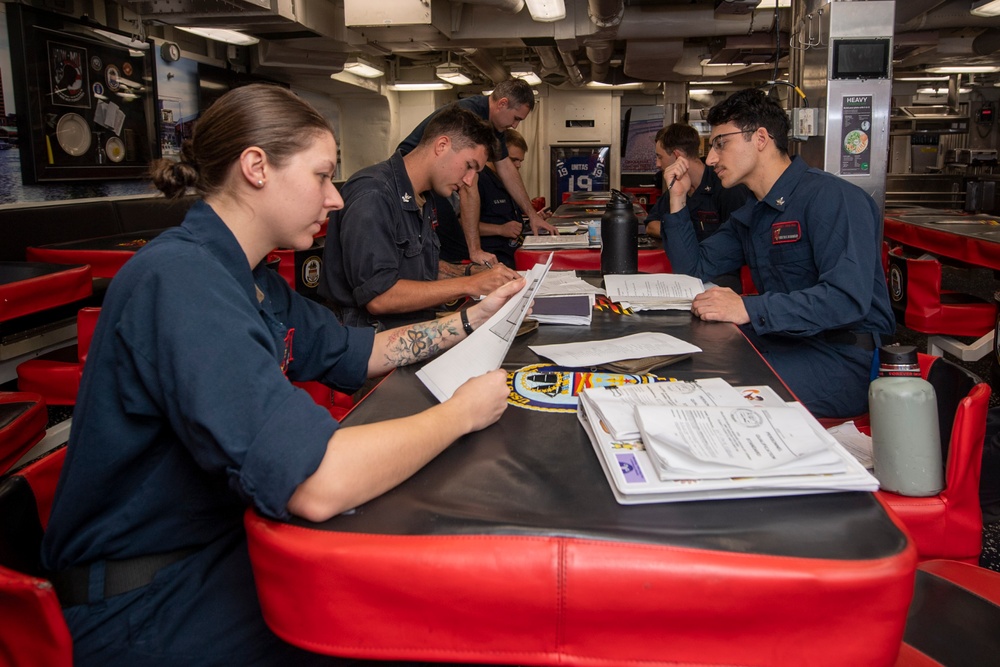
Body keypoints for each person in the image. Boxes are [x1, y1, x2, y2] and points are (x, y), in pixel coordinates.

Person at [40, 84, 524, 666]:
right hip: (147, 602)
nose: (336, 199)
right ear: (256, 168)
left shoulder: (256, 279)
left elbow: (359, 350)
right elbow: (317, 483)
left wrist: (472, 321)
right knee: (404, 624)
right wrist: (459, 416)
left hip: (218, 551)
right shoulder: (181, 281)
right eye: (322, 176)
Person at [659, 88, 894, 419]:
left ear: (760, 138)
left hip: (842, 360)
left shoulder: (833, 199)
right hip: (784, 341)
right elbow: (694, 269)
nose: (711, 159)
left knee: (705, 394)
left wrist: (747, 307)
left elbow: (846, 300)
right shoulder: (755, 211)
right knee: (679, 367)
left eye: (720, 143)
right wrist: (678, 200)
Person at [320, 104, 521, 330]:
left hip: (409, 327)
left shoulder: (425, 196)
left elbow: (418, 267)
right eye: (468, 166)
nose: (469, 180)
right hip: (369, 339)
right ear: (442, 145)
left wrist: (472, 272)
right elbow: (380, 296)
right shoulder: (374, 194)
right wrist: (471, 284)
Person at [397, 79, 558, 264]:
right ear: (502, 103)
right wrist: (475, 251)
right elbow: (469, 185)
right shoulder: (469, 116)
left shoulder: (494, 125)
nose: (515, 126)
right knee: (453, 246)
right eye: (516, 118)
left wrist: (531, 215)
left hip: (427, 182)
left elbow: (506, 168)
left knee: (451, 247)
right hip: (409, 179)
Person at [643, 123, 751, 292]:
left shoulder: (728, 188)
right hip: (686, 271)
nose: (657, 164)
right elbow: (651, 225)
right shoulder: (677, 188)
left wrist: (682, 232)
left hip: (721, 276)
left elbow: (737, 246)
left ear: (677, 156)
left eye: (660, 157)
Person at [436, 129, 541, 269]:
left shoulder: (507, 182)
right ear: (499, 156)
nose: (518, 165)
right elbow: (461, 223)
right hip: (492, 259)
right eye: (513, 160)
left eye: (520, 161)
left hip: (512, 253)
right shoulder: (477, 180)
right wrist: (500, 229)